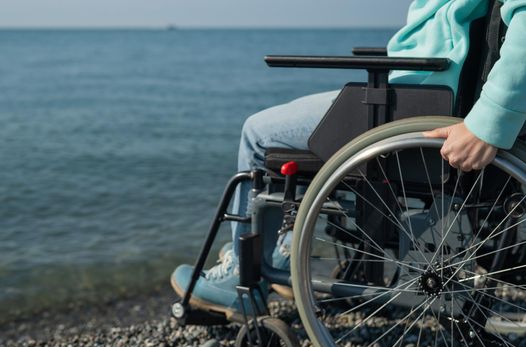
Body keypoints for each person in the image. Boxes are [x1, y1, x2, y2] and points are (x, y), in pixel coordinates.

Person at [172, 0, 526, 314]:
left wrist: (488, 123)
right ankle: (282, 251)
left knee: (259, 133)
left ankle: (242, 280)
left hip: (421, 98)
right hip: (423, 90)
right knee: (310, 126)